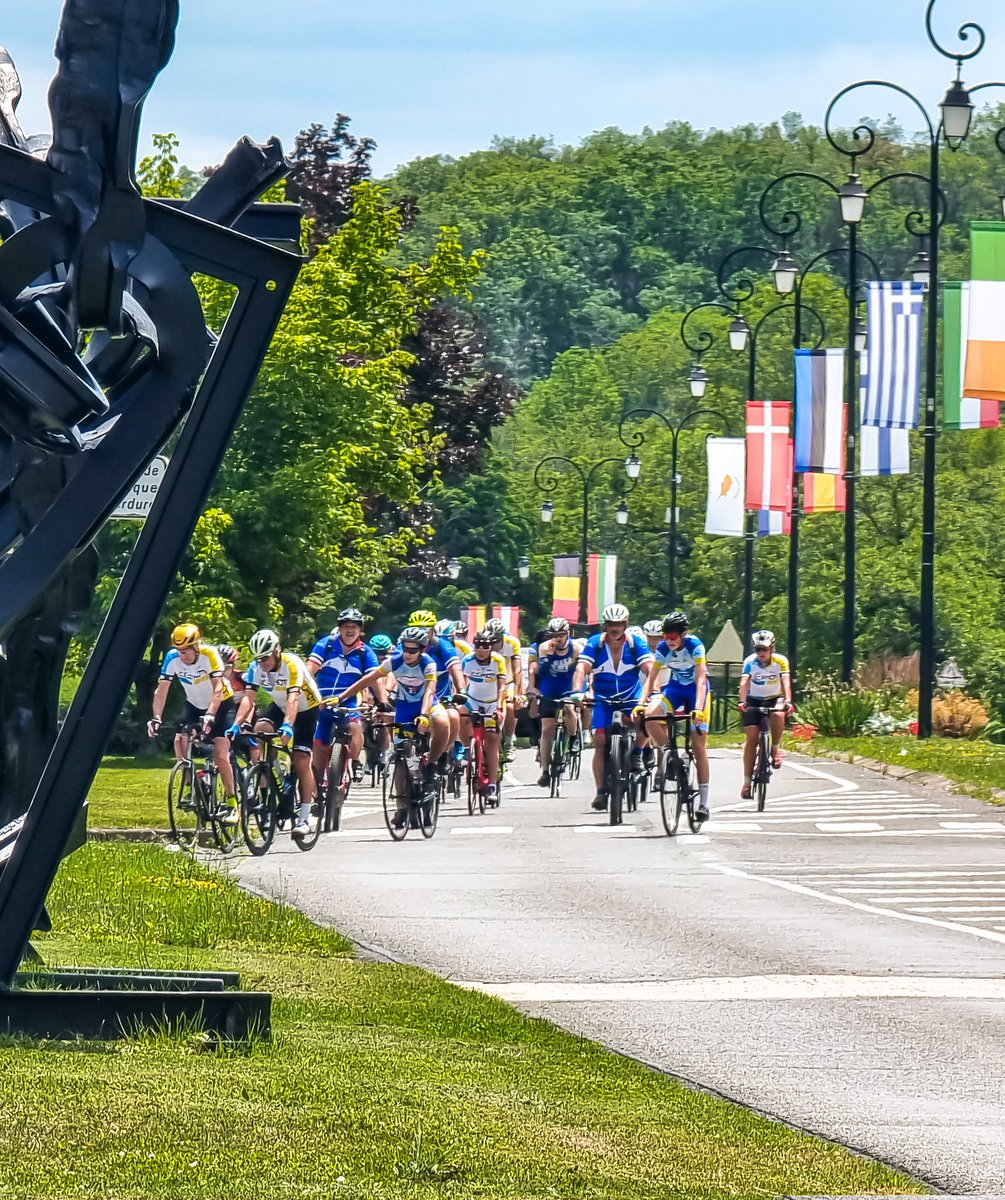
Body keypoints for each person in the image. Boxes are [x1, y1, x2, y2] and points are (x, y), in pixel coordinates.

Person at [331, 626, 442, 821]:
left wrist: (424, 714)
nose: (407, 654)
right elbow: (368, 679)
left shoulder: (429, 664)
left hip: (426, 704)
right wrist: (340, 698)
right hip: (406, 706)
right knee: (401, 756)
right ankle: (401, 808)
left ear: (422, 650)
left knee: (436, 724)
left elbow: (430, 691)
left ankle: (429, 764)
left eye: (412, 650)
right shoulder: (396, 661)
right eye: (405, 649)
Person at [231, 628, 322, 837]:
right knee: (260, 729)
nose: (262, 663)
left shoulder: (292, 664)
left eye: (265, 658)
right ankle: (268, 770)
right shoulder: (256, 667)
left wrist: (288, 725)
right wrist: (237, 723)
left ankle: (306, 818)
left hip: (307, 709)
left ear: (276, 651)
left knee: (300, 759)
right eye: (258, 659)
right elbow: (249, 698)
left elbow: (294, 698)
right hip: (280, 706)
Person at [148, 623, 239, 822]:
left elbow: (218, 689)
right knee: (180, 740)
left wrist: (210, 715)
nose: (182, 656)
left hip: (222, 704)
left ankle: (232, 802)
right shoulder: (172, 658)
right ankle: (193, 784)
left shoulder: (209, 655)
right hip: (194, 704)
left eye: (186, 651)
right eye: (179, 651)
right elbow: (161, 690)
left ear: (197, 645)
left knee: (220, 753)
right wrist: (156, 717)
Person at [570, 603, 653, 811]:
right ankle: (600, 791)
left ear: (625, 624)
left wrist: (655, 691)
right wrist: (577, 691)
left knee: (647, 721)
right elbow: (582, 667)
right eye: (610, 624)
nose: (614, 628)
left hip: (631, 697)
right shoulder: (596, 643)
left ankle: (636, 752)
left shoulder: (636, 644)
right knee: (600, 741)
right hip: (603, 699)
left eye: (618, 624)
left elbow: (650, 669)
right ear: (605, 625)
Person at [638, 611, 712, 823]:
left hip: (698, 692)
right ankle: (671, 754)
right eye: (665, 636)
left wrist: (698, 708)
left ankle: (704, 804)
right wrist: (641, 704)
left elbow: (700, 677)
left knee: (699, 746)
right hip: (676, 689)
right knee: (650, 718)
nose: (668, 641)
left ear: (683, 635)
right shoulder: (662, 648)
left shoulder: (694, 645)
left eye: (673, 637)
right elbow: (651, 677)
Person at [308, 608, 380, 787]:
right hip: (322, 701)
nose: (350, 630)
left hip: (346, 703)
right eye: (346, 626)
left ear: (360, 630)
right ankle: (317, 786)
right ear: (339, 629)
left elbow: (375, 680)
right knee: (320, 746)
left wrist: (383, 702)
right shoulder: (327, 644)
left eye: (354, 627)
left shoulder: (366, 653)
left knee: (355, 728)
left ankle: (355, 761)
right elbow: (310, 670)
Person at [406, 609, 466, 772]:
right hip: (413, 697)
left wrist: (462, 690)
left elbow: (455, 668)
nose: (421, 633)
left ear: (433, 630)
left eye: (425, 629)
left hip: (440, 696)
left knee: (453, 717)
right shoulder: (404, 645)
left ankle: (442, 753)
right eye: (417, 629)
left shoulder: (442, 646)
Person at [738, 628, 793, 798]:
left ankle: (775, 748)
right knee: (752, 738)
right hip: (754, 699)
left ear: (772, 649)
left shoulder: (781, 661)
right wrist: (742, 701)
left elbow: (785, 682)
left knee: (778, 714)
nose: (761, 653)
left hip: (774, 697)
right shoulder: (750, 661)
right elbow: (744, 681)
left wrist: (788, 701)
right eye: (758, 649)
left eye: (765, 649)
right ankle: (746, 783)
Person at [529, 617, 580, 788]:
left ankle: (573, 739)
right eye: (554, 635)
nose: (558, 639)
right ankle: (544, 771)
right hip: (550, 686)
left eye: (561, 635)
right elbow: (542, 672)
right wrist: (548, 657)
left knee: (569, 708)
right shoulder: (544, 648)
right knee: (547, 729)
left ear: (568, 634)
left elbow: (583, 671)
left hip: (568, 685)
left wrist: (583, 690)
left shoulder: (576, 648)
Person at [459, 632, 508, 805]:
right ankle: (466, 748)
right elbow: (463, 685)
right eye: (478, 645)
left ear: (491, 647)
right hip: (473, 701)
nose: (481, 650)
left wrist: (500, 708)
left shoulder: (498, 661)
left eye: (485, 646)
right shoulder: (467, 660)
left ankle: (493, 784)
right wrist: (460, 698)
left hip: (492, 702)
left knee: (492, 739)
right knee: (460, 713)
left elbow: (502, 688)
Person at [482, 617, 526, 760]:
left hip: (508, 682)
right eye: (491, 639)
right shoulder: (482, 642)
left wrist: (519, 693)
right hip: (489, 683)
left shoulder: (511, 643)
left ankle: (508, 743)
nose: (493, 643)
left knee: (510, 707)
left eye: (496, 639)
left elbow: (517, 669)